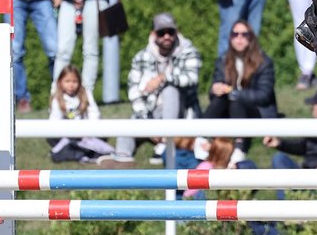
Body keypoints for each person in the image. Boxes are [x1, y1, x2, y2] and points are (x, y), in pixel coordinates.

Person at [115, 12, 203, 165]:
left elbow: (191, 78)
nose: (167, 36)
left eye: (171, 32)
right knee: (126, 129)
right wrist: (149, 124)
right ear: (153, 34)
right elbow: (134, 92)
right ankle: (121, 159)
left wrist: (163, 77)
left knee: (171, 90)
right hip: (151, 111)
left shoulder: (189, 52)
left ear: (177, 33)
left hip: (181, 113)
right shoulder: (141, 57)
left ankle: (166, 143)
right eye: (162, 33)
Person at [204, 21, 277, 149]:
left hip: (257, 112)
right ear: (230, 37)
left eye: (244, 34)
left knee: (235, 99)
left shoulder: (264, 62)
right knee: (220, 99)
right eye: (235, 34)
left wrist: (234, 93)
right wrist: (214, 89)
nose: (239, 38)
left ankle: (239, 147)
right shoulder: (223, 60)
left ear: (251, 38)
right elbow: (215, 90)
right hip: (227, 110)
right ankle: (201, 137)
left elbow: (263, 96)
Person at [45, 65, 122, 165]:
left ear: (79, 82)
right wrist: (71, 132)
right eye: (67, 81)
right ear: (60, 82)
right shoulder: (57, 98)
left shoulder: (85, 93)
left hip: (87, 133)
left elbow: (94, 114)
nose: (71, 85)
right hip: (67, 135)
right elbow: (54, 122)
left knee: (102, 133)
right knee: (52, 138)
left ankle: (89, 153)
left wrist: (86, 130)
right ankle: (87, 155)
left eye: (74, 81)